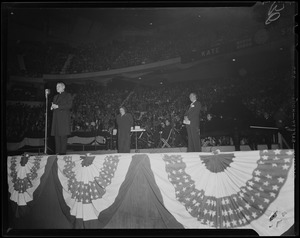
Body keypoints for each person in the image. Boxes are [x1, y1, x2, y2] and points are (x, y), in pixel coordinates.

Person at [51, 82, 73, 155]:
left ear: (63, 87)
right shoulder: (55, 97)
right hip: (56, 120)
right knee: (56, 137)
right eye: (56, 86)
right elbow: (54, 106)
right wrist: (52, 107)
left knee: (63, 138)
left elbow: (69, 105)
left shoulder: (67, 95)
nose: (57, 87)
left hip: (63, 120)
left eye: (59, 86)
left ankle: (62, 154)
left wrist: (58, 107)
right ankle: (57, 153)